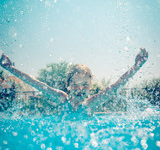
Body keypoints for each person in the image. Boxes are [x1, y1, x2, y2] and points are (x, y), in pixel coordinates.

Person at [0, 48, 148, 115]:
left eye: (84, 85)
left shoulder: (91, 103)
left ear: (90, 86)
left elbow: (116, 86)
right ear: (68, 86)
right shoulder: (61, 98)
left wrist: (136, 67)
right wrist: (11, 69)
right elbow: (37, 84)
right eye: (75, 84)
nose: (80, 89)